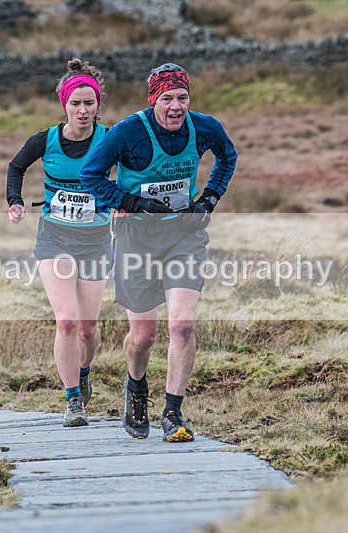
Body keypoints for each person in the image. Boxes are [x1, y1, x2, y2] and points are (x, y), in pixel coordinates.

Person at [80, 63, 237, 442]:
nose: (176, 106)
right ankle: (135, 388)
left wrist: (209, 199)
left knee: (182, 324)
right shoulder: (129, 132)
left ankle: (172, 412)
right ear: (154, 100)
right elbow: (91, 175)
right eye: (167, 98)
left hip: (185, 236)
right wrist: (130, 201)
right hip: (136, 239)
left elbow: (228, 157)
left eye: (182, 98)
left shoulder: (204, 127)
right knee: (144, 335)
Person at [6, 58, 112, 428]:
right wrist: (15, 202)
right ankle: (72, 401)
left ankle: (84, 372)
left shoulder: (109, 139)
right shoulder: (45, 140)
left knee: (87, 328)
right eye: (75, 104)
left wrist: (122, 205)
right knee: (66, 321)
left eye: (89, 103)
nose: (82, 111)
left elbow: (131, 171)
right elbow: (16, 167)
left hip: (96, 240)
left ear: (98, 104)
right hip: (55, 237)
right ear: (64, 105)